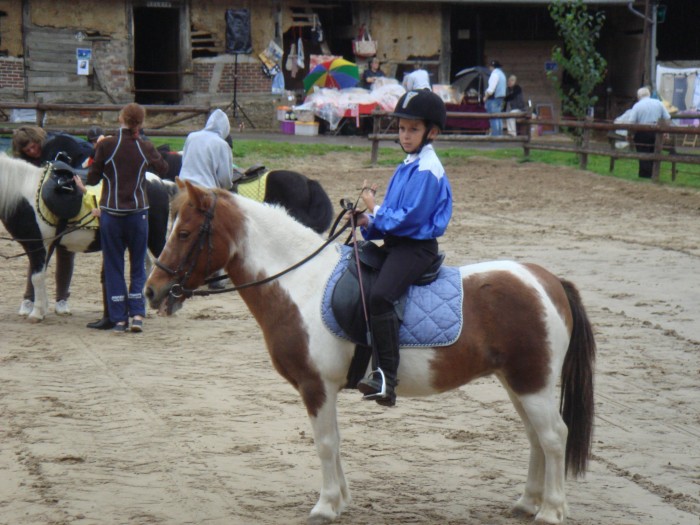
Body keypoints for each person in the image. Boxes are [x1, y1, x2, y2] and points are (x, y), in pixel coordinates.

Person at [352, 89, 453, 407]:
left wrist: (375, 209)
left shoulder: (428, 170)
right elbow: (391, 217)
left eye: (413, 129)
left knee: (381, 296)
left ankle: (387, 379)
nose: (405, 135)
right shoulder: (407, 164)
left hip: (415, 248)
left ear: (431, 132)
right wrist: (367, 220)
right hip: (398, 242)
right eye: (401, 128)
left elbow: (410, 219)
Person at [80, 102, 169, 333]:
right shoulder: (145, 147)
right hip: (138, 214)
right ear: (141, 122)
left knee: (114, 266)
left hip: (112, 213)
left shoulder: (107, 144)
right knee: (138, 266)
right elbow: (163, 169)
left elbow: (92, 178)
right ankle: (138, 315)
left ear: (121, 118)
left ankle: (119, 319)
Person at [11, 125, 95, 316]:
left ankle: (62, 298)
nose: (32, 151)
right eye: (27, 150)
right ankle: (29, 298)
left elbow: (86, 161)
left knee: (66, 252)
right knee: (38, 255)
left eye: (33, 146)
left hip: (70, 205)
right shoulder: (26, 162)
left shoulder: (61, 143)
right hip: (45, 212)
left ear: (38, 139)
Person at [178, 108, 234, 190]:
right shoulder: (222, 145)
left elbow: (184, 161)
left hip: (183, 185)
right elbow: (225, 178)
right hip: (205, 191)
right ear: (226, 128)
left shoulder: (191, 137)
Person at [627, 86, 671, 178]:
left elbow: (631, 122)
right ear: (649, 94)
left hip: (642, 133)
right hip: (656, 132)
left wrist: (630, 134)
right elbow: (667, 118)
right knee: (654, 154)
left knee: (643, 155)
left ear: (638, 96)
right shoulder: (658, 103)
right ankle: (654, 175)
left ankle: (645, 176)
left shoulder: (637, 106)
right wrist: (666, 132)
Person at [482, 60, 507, 136]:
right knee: (498, 117)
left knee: (493, 118)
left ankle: (495, 136)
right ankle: (499, 135)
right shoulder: (502, 74)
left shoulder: (494, 74)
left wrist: (485, 97)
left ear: (492, 67)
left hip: (494, 98)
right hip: (500, 97)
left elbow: (491, 89)